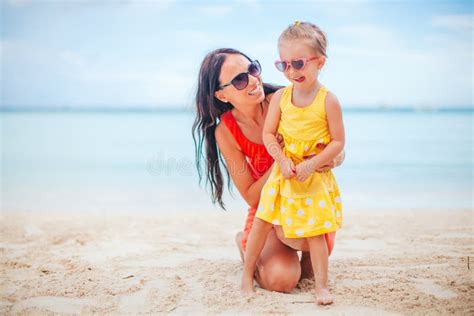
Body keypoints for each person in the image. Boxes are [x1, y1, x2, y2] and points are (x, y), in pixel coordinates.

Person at [192, 47, 345, 293]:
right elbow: (252, 196)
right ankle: (247, 243)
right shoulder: (226, 132)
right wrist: (280, 160)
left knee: (309, 267)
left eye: (252, 69)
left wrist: (333, 159)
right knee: (281, 281)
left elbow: (332, 141)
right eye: (240, 80)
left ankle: (284, 251)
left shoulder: (286, 99)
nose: (253, 80)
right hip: (269, 205)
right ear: (221, 95)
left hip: (307, 197)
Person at [240, 21, 345, 305]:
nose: (291, 72)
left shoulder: (328, 101)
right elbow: (269, 134)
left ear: (320, 62)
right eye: (283, 65)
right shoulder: (281, 98)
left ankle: (321, 286)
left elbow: (338, 142)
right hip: (284, 174)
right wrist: (281, 159)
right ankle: (247, 276)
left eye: (298, 63)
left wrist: (314, 164)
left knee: (315, 233)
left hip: (312, 177)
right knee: (262, 222)